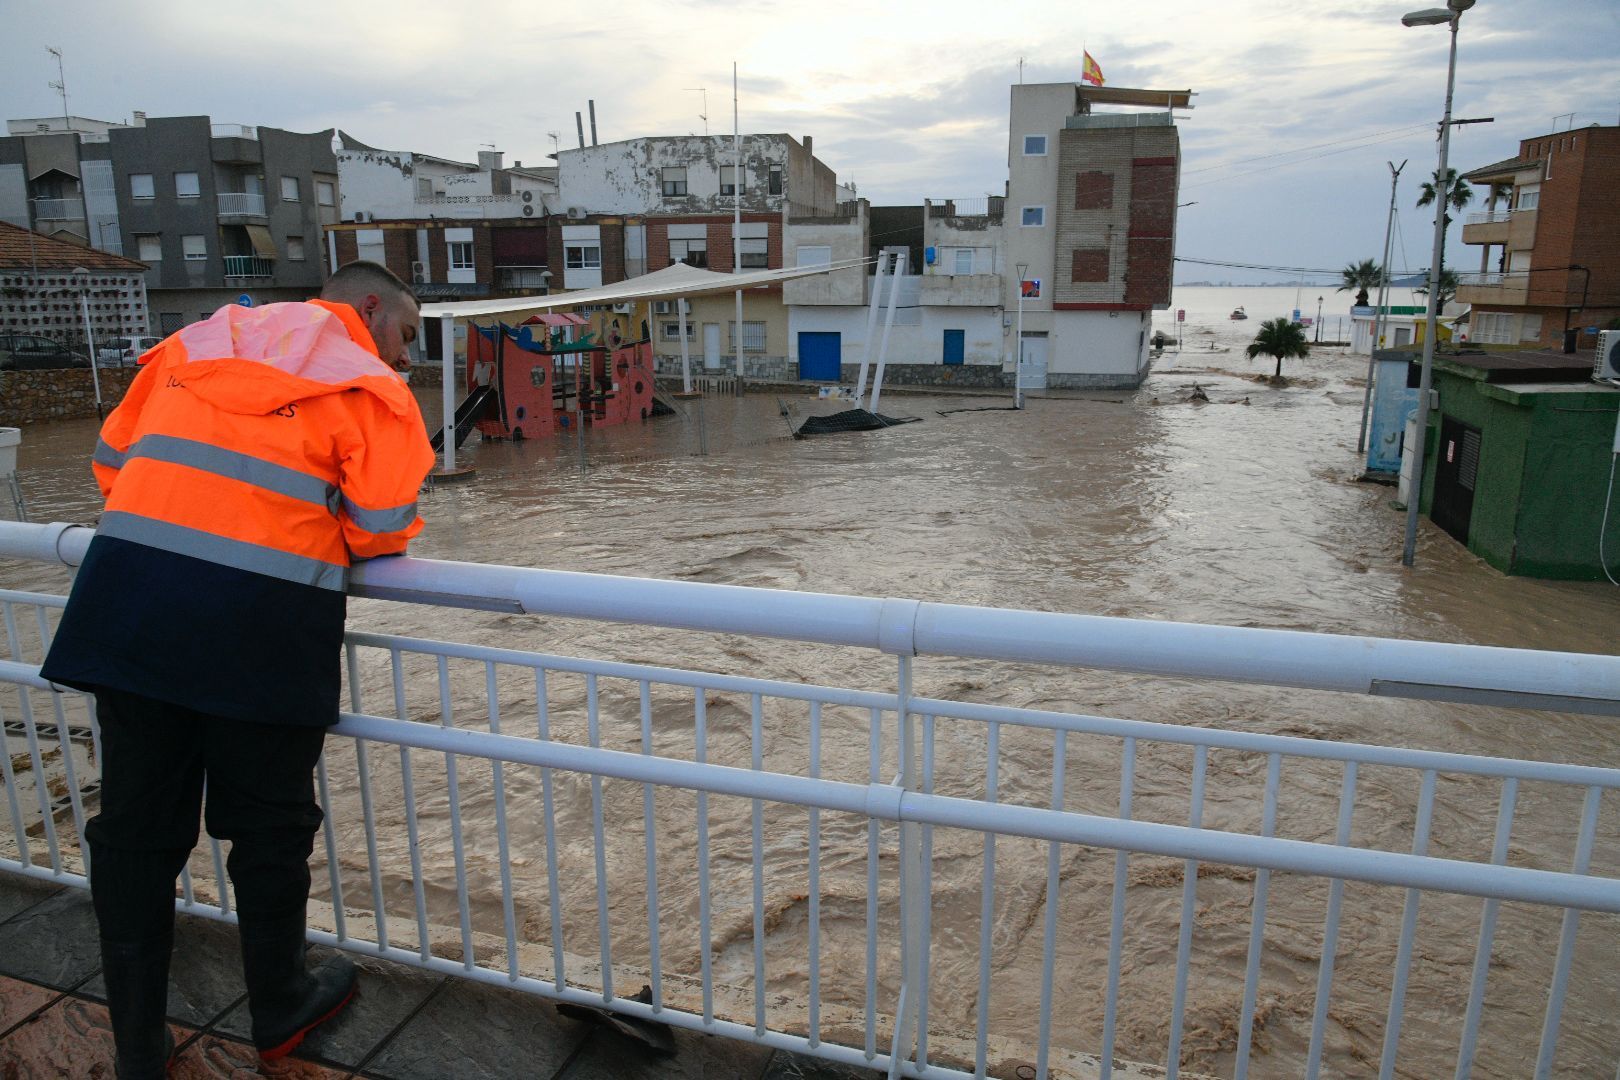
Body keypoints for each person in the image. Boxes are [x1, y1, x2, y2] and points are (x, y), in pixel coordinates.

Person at [40, 261, 435, 1078]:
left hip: (132, 606)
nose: (407, 360)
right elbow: (381, 529)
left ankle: (139, 1051)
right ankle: (281, 1008)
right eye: (407, 335)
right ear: (368, 310)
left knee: (136, 837)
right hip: (261, 628)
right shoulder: (369, 388)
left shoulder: (192, 342)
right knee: (268, 829)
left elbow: (112, 465)